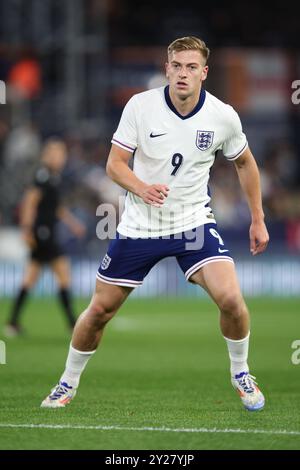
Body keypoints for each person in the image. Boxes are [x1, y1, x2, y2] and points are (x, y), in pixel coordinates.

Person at [41, 37, 269, 411]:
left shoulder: (222, 115)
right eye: (177, 65)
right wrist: (142, 188)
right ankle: (67, 382)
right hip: (140, 227)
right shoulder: (140, 106)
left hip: (193, 224)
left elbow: (244, 162)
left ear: (204, 73)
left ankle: (241, 372)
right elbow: (114, 165)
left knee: (231, 299)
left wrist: (257, 218)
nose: (183, 73)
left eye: (191, 67)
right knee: (99, 311)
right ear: (167, 68)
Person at [4, 138, 86, 336]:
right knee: (63, 274)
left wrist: (72, 223)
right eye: (58, 154)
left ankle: (12, 322)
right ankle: (72, 323)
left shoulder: (52, 177)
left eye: (62, 154)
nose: (61, 158)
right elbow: (29, 203)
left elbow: (55, 207)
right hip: (43, 232)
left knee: (30, 278)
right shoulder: (42, 177)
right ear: (48, 156)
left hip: (45, 231)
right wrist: (26, 230)